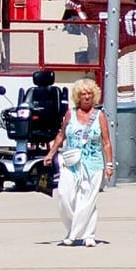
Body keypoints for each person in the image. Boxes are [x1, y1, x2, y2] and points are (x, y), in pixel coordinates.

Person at [43, 80, 112, 247]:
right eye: (83, 94)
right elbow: (61, 135)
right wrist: (50, 154)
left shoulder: (99, 116)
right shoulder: (70, 114)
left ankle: (84, 235)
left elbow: (106, 142)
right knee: (63, 195)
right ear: (78, 96)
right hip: (71, 162)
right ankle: (75, 228)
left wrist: (109, 165)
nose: (86, 96)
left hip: (93, 163)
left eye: (89, 93)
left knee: (88, 199)